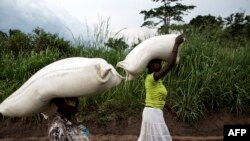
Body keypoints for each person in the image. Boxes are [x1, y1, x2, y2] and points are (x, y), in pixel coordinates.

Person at [138, 35, 184, 141]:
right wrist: (176, 44)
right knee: (162, 138)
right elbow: (170, 65)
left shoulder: (158, 80)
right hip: (152, 113)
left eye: (159, 62)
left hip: (156, 112)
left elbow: (160, 99)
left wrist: (170, 110)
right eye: (155, 62)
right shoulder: (151, 78)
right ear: (149, 66)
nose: (159, 64)